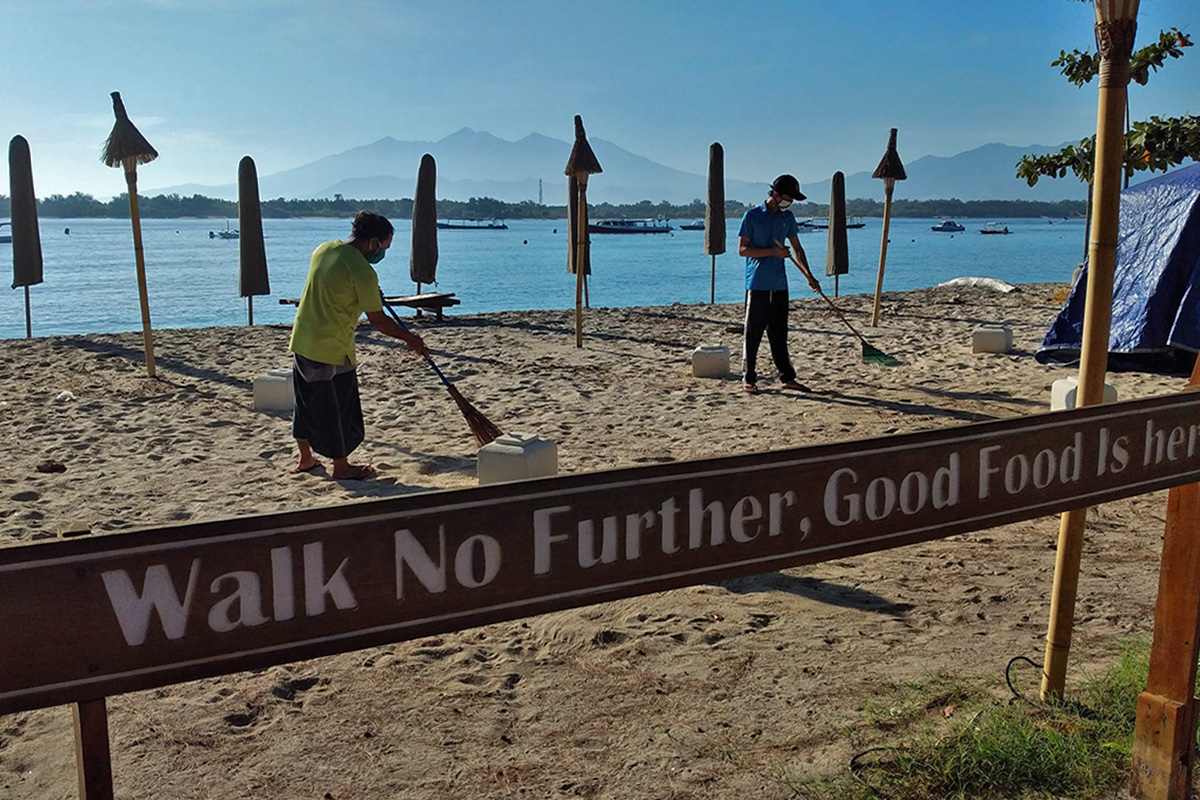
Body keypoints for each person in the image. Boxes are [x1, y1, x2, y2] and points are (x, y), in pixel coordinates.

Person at [288, 210, 427, 479]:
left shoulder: (324, 250)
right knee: (336, 407)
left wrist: (368, 292)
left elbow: (335, 285)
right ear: (373, 242)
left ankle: (306, 458)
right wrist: (411, 339)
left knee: (306, 402)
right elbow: (378, 321)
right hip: (330, 347)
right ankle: (341, 466)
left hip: (303, 338)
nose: (382, 254)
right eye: (384, 247)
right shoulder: (364, 273)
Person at [737, 174, 821, 394]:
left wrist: (809, 274)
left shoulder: (788, 217)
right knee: (753, 332)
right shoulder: (752, 216)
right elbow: (743, 249)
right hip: (757, 283)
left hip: (780, 283)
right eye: (787, 197)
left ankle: (787, 377)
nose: (789, 202)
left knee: (779, 332)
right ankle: (749, 378)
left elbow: (797, 248)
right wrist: (773, 252)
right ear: (775, 194)